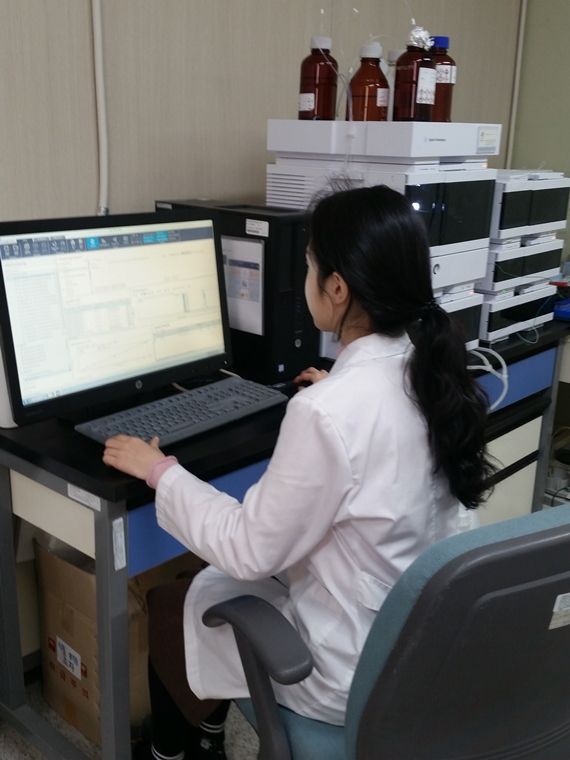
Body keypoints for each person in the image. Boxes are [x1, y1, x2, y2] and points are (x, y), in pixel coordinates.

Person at [103, 184, 494, 760]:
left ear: (337, 288)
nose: (305, 278)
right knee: (210, 589)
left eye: (309, 265)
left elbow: (248, 551)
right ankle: (208, 736)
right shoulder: (430, 370)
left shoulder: (327, 411)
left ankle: (175, 753)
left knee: (169, 607)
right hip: (415, 641)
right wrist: (337, 389)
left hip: (345, 670)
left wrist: (160, 470)